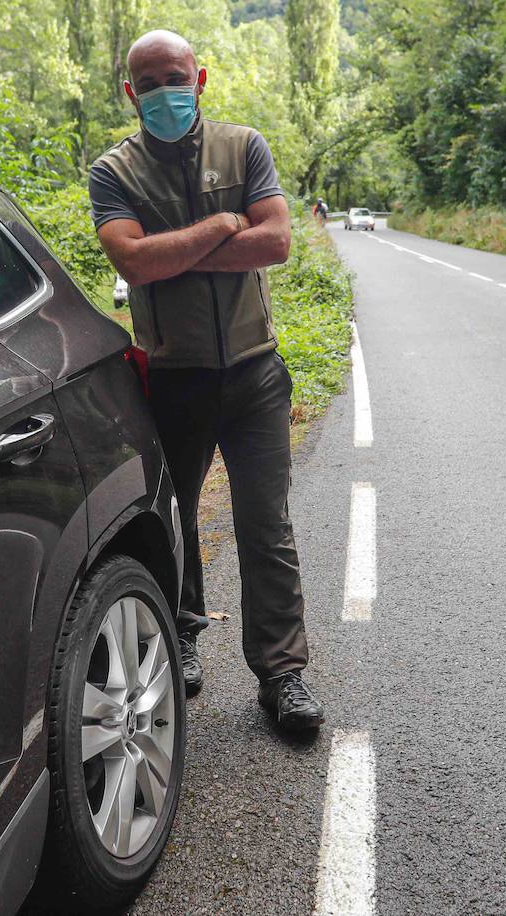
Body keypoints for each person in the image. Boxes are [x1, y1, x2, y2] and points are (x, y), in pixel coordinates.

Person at [88, 29, 324, 732]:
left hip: (255, 372)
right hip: (172, 379)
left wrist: (172, 253)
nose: (164, 92)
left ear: (200, 78)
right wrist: (223, 224)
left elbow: (276, 241)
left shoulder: (243, 146)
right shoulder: (114, 171)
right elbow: (132, 263)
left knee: (266, 525)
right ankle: (182, 637)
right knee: (175, 519)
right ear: (130, 92)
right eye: (149, 83)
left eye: (175, 77)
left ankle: (282, 673)